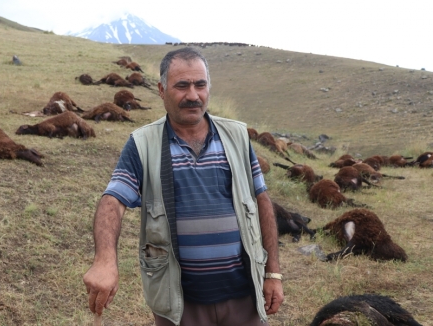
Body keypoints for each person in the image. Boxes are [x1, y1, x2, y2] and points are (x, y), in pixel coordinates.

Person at [83, 47, 284, 326]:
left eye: (200, 85)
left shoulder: (237, 135)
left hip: (244, 298)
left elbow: (261, 200)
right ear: (162, 90)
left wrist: (273, 273)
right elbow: (113, 201)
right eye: (182, 86)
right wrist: (105, 260)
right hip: (179, 305)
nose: (193, 95)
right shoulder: (143, 144)